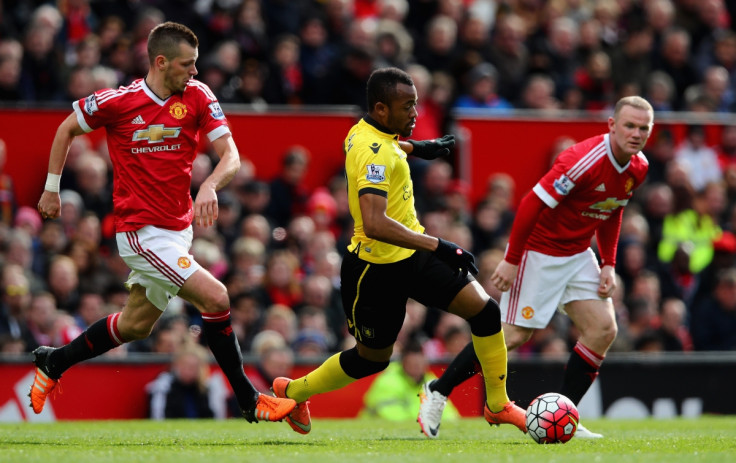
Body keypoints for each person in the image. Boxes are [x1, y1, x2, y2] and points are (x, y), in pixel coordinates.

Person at [30, 21, 296, 424]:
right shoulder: (118, 102)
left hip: (178, 231)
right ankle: (249, 398)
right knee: (217, 298)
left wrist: (209, 186)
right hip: (140, 234)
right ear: (161, 62)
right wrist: (52, 188)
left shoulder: (198, 95)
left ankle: (54, 362)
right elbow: (66, 128)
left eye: (196, 64)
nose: (194, 72)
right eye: (187, 65)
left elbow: (232, 156)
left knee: (136, 325)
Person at [270, 67, 525, 436]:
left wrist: (418, 147)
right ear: (381, 108)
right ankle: (293, 391)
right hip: (374, 269)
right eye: (407, 106)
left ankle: (498, 404)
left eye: (417, 104)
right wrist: (441, 245)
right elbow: (375, 222)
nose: (416, 114)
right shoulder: (371, 151)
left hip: (411, 254)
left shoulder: (371, 132)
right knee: (370, 360)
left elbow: (387, 146)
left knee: (485, 312)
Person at [416, 96, 654, 439]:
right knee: (513, 334)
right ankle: (438, 390)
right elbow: (531, 203)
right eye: (629, 125)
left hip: (577, 253)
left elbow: (612, 209)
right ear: (612, 125)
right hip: (539, 252)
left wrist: (609, 262)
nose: (636, 133)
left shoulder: (639, 167)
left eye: (643, 128)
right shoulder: (582, 160)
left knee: (604, 329)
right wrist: (512, 260)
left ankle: (564, 415)